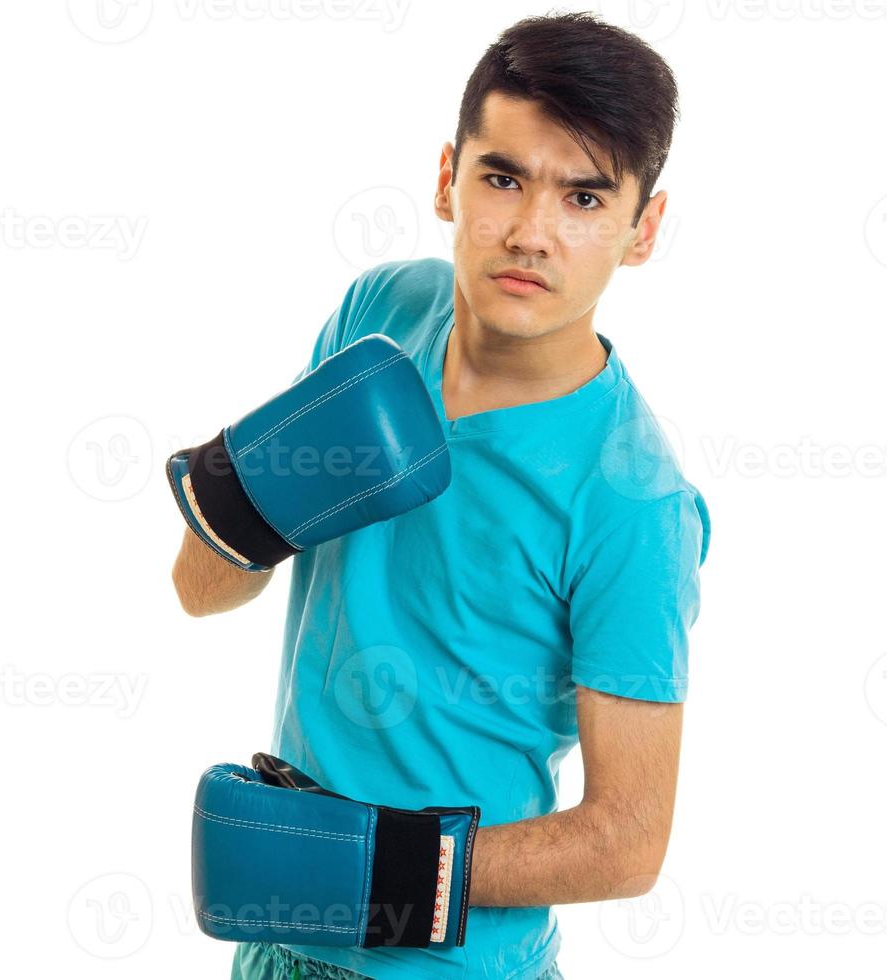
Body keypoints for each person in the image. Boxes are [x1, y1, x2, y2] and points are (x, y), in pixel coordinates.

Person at [171, 12, 709, 979]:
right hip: (280, 943)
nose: (531, 233)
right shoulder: (381, 313)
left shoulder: (633, 503)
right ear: (445, 177)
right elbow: (199, 592)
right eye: (502, 177)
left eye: (585, 198)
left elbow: (629, 840)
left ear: (644, 231)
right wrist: (246, 500)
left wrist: (374, 875)